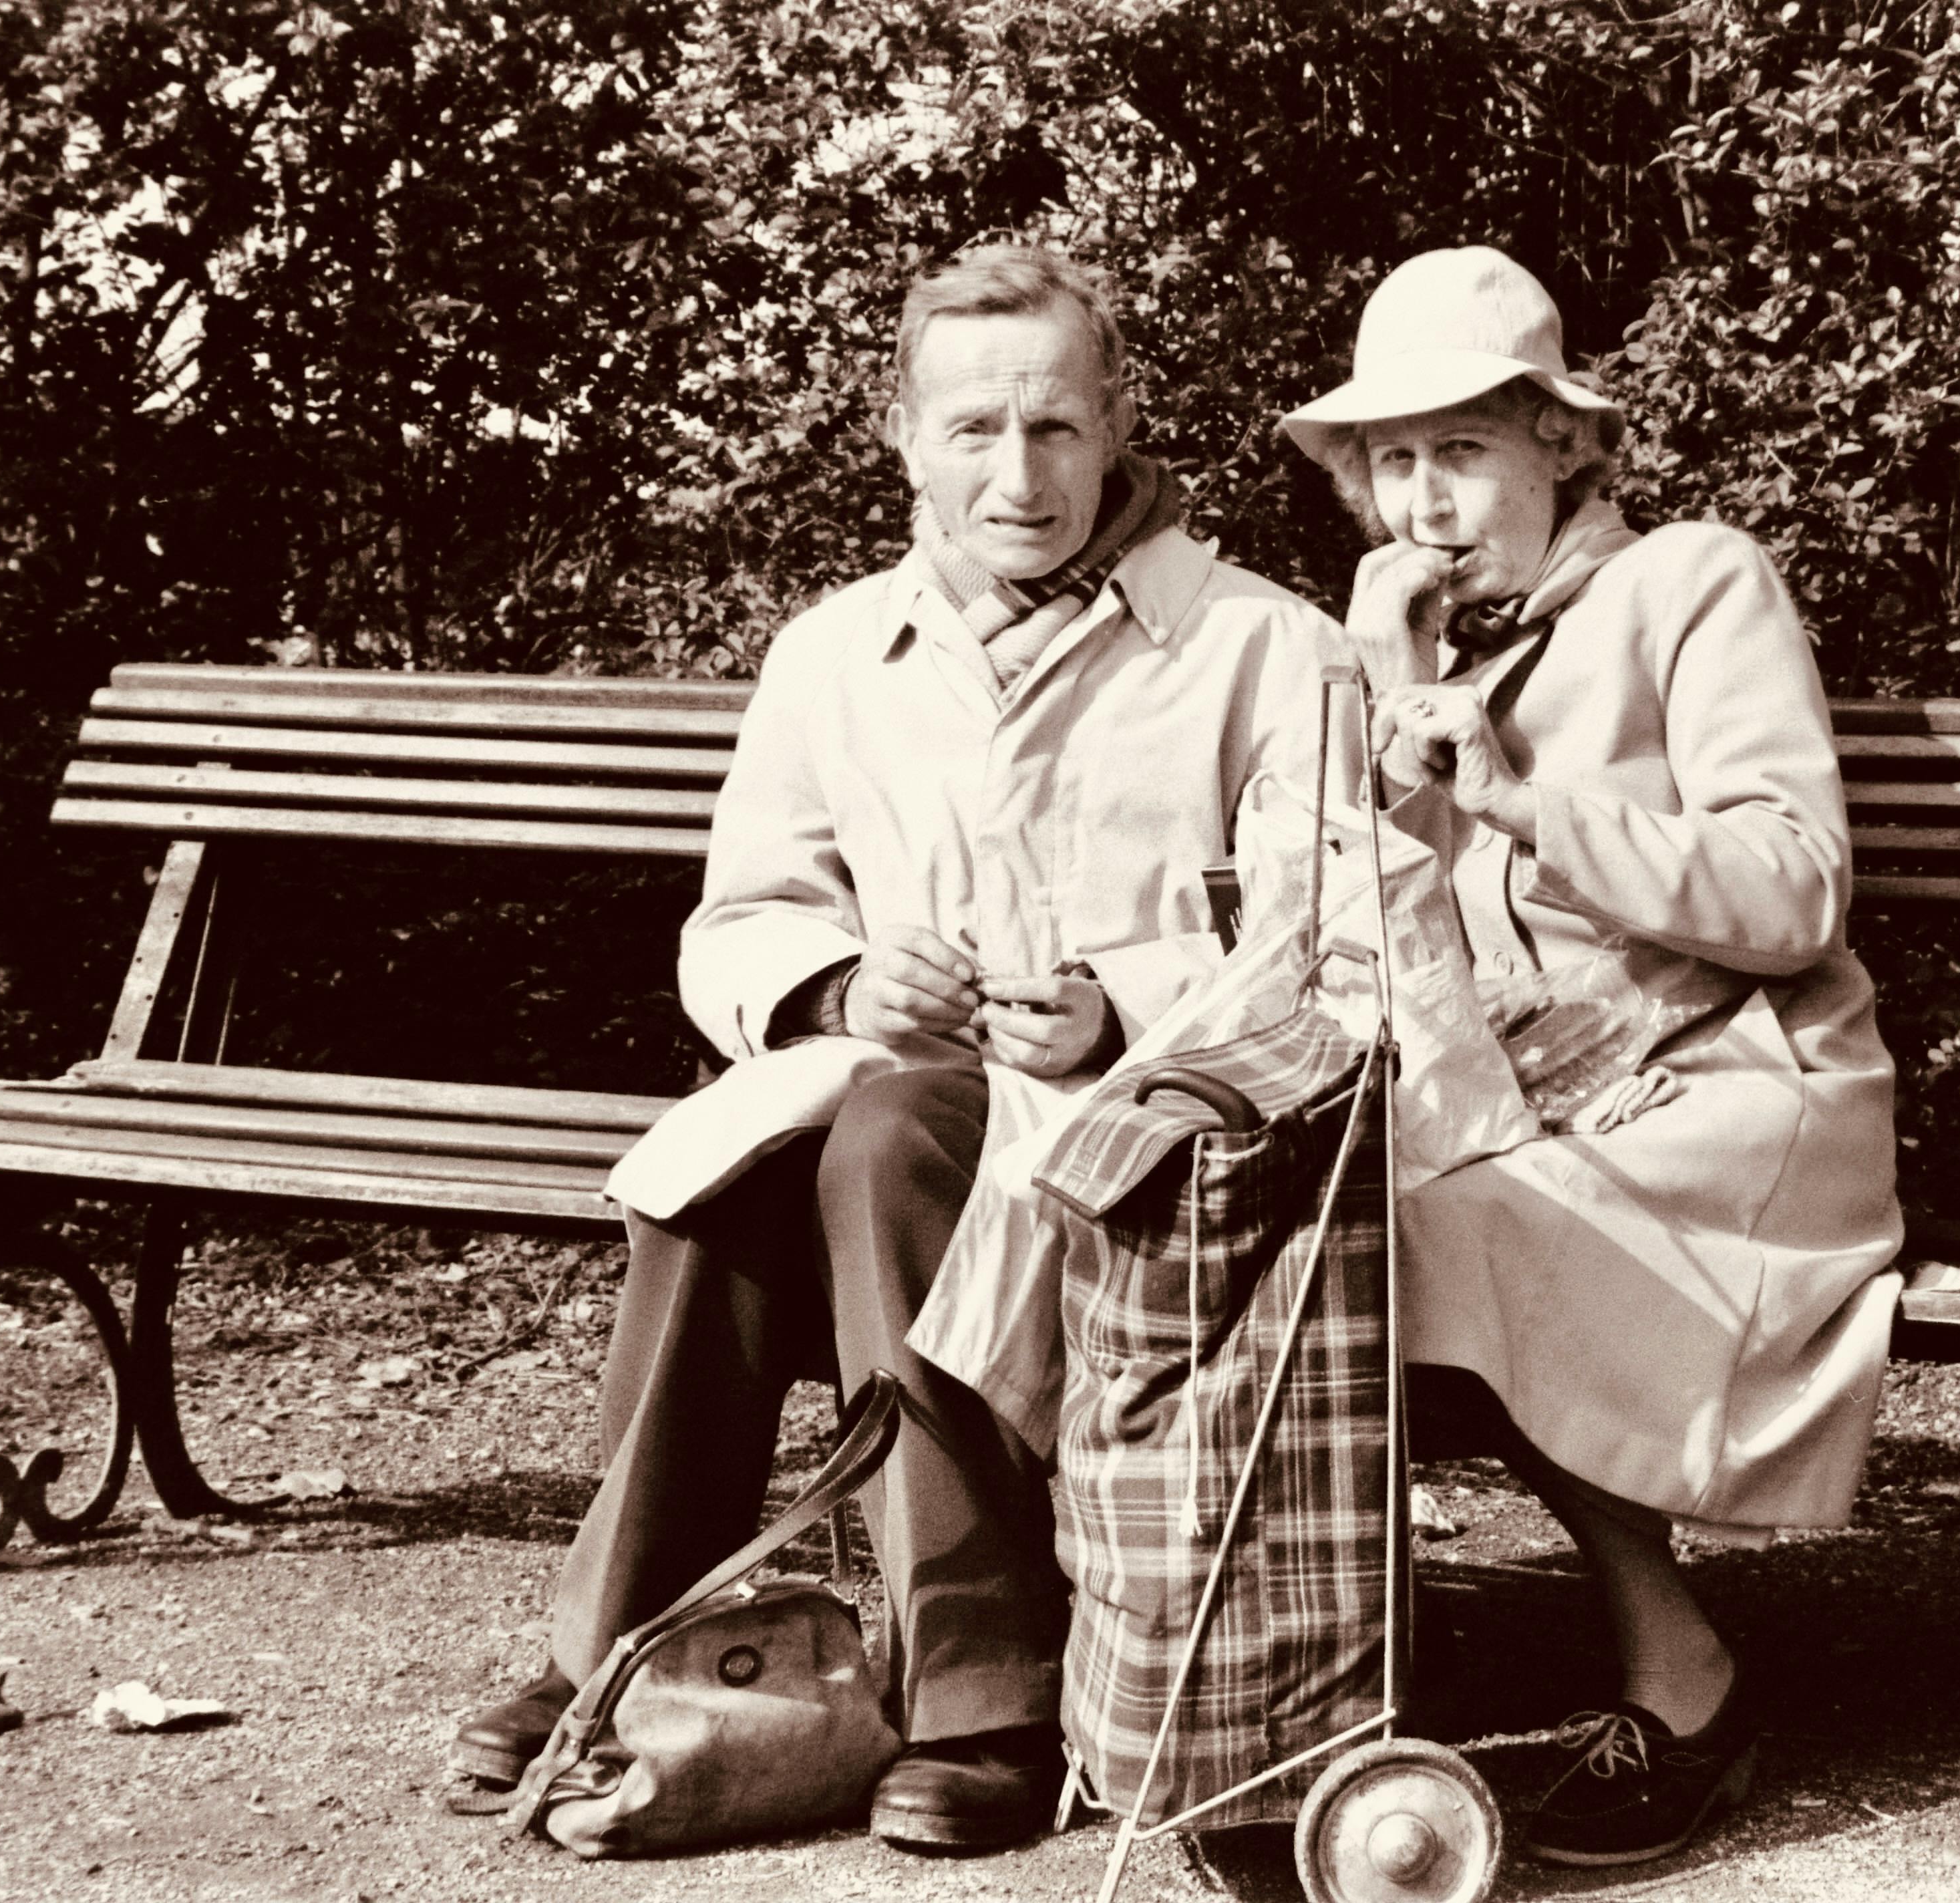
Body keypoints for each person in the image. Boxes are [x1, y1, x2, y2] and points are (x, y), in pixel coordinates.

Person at [451, 245, 1344, 1854]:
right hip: (899, 1123)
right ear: (902, 436)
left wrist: (1120, 1003)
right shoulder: (832, 651)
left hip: (1163, 1149)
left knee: (883, 1141)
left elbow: (1329, 942)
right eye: (976, 429)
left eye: (1058, 427)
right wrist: (845, 989)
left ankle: (984, 1690)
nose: (1021, 475)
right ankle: (616, 1647)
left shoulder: (1264, 649)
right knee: (726, 1173)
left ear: (1119, 418)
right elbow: (740, 924)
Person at [1276, 246, 1905, 1867]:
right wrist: (1370, 711)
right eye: (1393, 461)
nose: (1424, 499)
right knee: (1275, 1204)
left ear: (1559, 443)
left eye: (1463, 450)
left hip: (1742, 1076)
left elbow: (1792, 883)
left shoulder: (1693, 581)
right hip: (1519, 1090)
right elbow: (1338, 926)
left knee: (1462, 1219)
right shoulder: (1417, 643)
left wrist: (1515, 800)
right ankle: (1309, 1693)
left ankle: (1682, 1676)